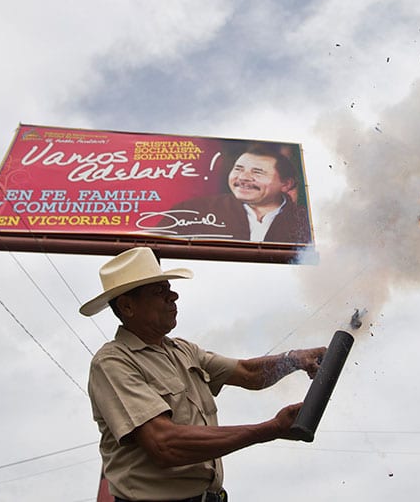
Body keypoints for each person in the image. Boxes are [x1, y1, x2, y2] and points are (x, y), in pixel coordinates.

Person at [80, 248, 326, 502]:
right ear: (127, 306)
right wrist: (270, 429)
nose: (173, 295)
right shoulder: (112, 362)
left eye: (169, 288)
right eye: (159, 291)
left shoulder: (182, 350)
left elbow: (247, 373)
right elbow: (164, 444)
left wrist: (295, 359)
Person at [167, 143, 312, 244]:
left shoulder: (304, 222)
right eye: (238, 169)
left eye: (257, 172)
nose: (243, 177)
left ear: (286, 184)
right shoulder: (193, 210)